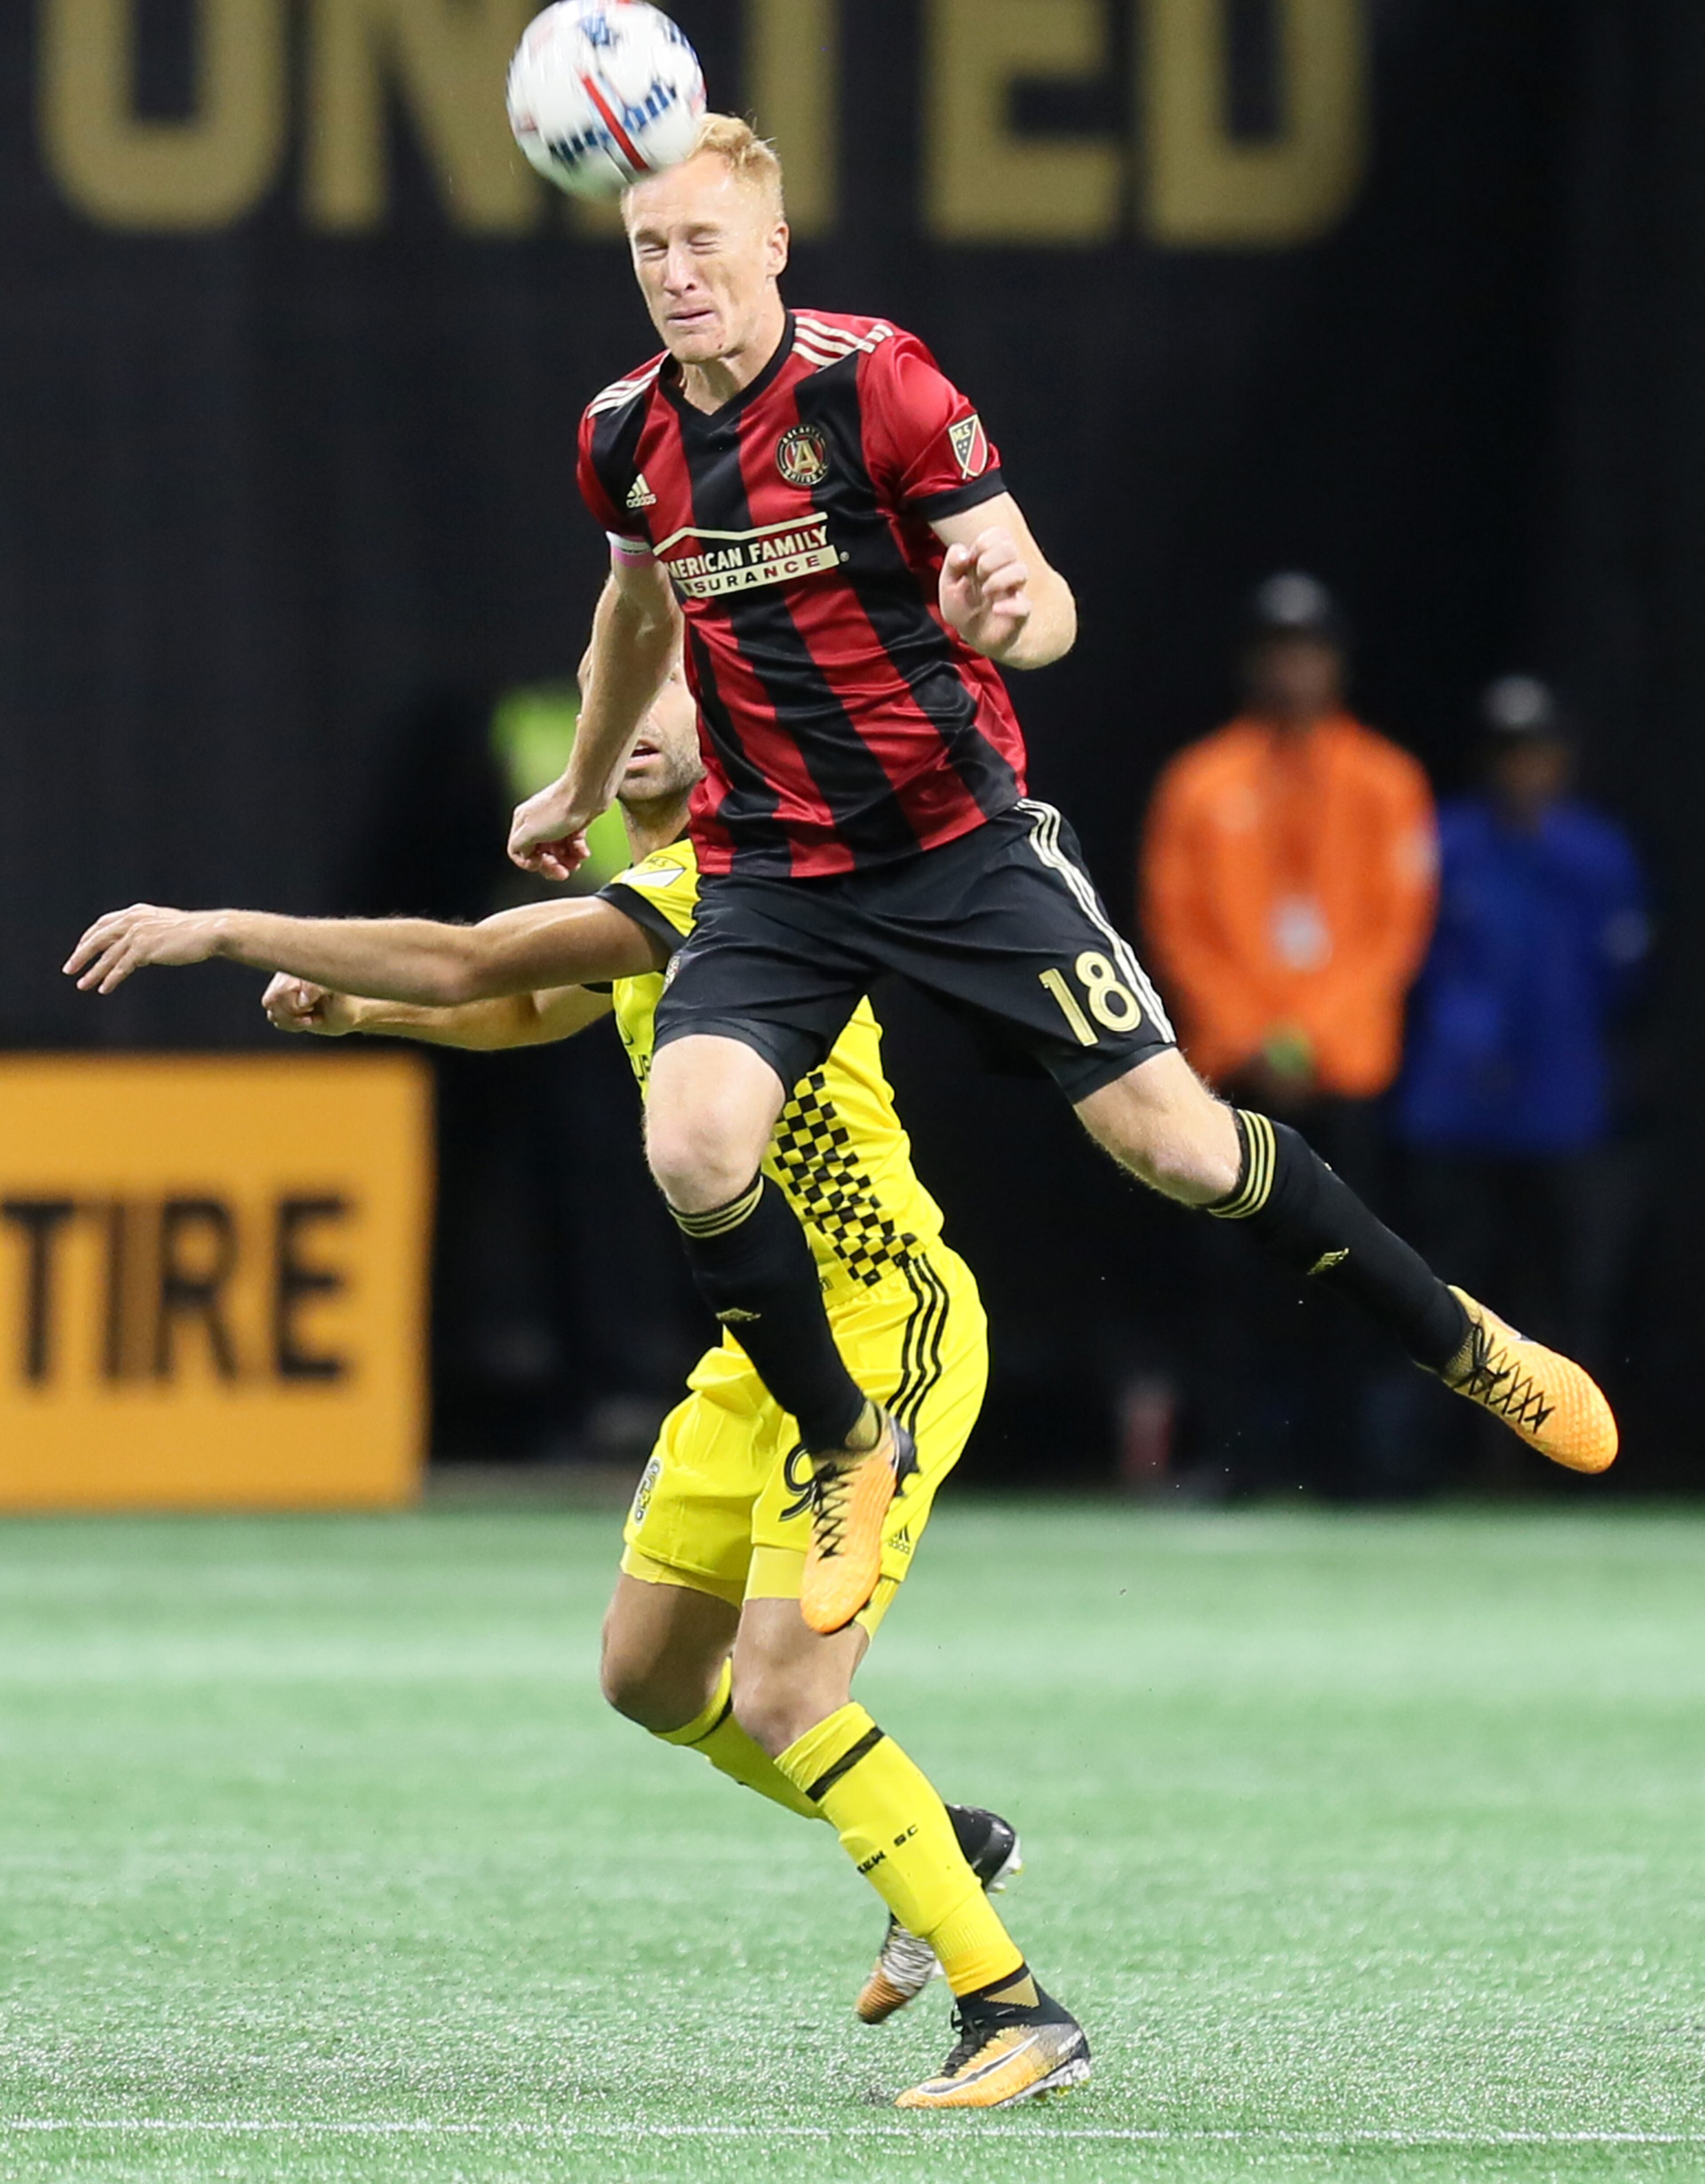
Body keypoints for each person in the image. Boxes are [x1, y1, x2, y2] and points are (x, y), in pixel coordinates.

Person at [495, 111, 1615, 2096]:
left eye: (702, 239)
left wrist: (1024, 611)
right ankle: (845, 1442)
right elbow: (632, 615)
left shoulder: (883, 384)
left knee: (1176, 1146)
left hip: (957, 841)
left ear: (772, 239)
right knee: (691, 1132)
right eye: (647, 243)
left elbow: (1031, 583)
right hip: (772, 869)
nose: (674, 271)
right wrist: (590, 785)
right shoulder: (629, 433)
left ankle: (1464, 1341)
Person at [65, 660, 1069, 2113]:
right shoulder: (659, 896)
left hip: (879, 1327)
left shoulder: (747, 878)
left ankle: (1015, 2009)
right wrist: (372, 1021)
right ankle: (930, 1834)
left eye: (662, 689)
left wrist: (223, 928)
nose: (631, 710)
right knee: (649, 1679)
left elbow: (479, 962)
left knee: (789, 1688)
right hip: (764, 1346)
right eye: (616, 685)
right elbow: (528, 1010)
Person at [1139, 574, 1438, 1490]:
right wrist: (1257, 1037)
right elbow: (1174, 926)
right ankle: (1242, 1461)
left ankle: (1354, 1468)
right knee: (1232, 1283)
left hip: (1344, 1071)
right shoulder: (1200, 782)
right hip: (1234, 1075)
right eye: (1278, 649)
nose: (1294, 667)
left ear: (1335, 662)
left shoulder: (1387, 781)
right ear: (1253, 663)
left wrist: (1313, 1036)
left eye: (1309, 649)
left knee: (1360, 1273)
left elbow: (1397, 931)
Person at [1397, 674, 1650, 1388]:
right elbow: (1411, 960)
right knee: (1452, 1284)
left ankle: (1568, 1454)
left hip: (1562, 1105)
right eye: (1510, 752)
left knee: (1567, 1284)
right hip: (1457, 1103)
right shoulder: (1445, 841)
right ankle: (1447, 1453)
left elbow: (1624, 978)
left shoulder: (1597, 853)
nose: (1523, 768)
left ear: (1560, 758)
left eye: (1536, 751)